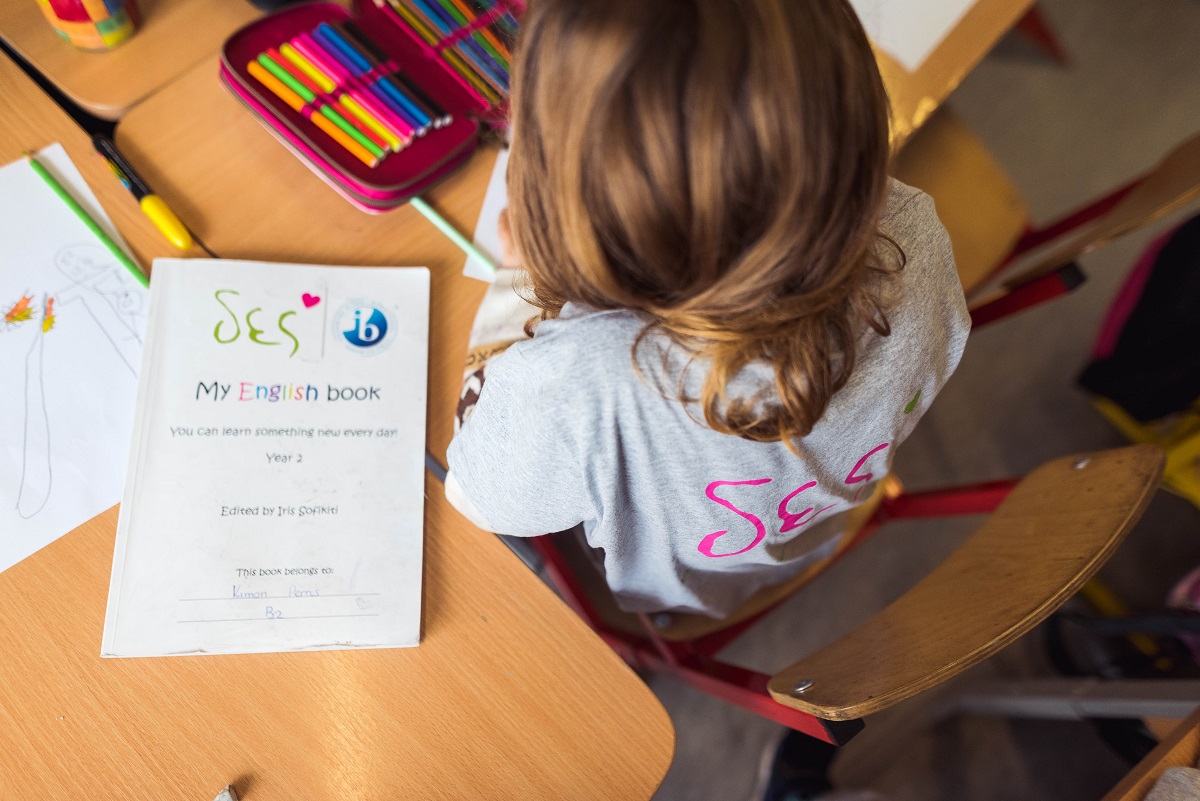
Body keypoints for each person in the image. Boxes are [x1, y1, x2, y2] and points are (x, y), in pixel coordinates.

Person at [445, 0, 969, 621]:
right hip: (828, 523)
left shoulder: (582, 380)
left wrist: (520, 281)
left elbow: (479, 497)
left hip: (684, 600)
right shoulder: (915, 230)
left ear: (574, 208)